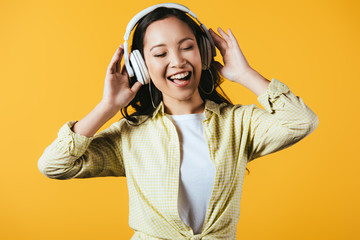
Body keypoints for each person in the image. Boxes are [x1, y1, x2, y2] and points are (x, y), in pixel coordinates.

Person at [37, 3, 319, 239]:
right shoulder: (131, 135)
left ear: (205, 53)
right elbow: (54, 164)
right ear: (142, 67)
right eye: (160, 54)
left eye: (187, 48)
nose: (177, 61)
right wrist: (107, 106)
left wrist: (245, 74)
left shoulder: (238, 124)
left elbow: (300, 121)